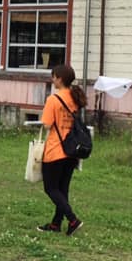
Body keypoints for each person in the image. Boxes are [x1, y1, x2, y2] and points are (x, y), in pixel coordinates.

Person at [37, 63, 86, 236]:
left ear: (60, 79)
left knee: (51, 188)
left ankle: (73, 220)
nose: (53, 80)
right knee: (62, 189)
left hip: (55, 149)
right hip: (72, 150)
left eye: (54, 77)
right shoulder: (75, 97)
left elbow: (47, 124)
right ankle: (56, 224)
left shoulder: (53, 99)